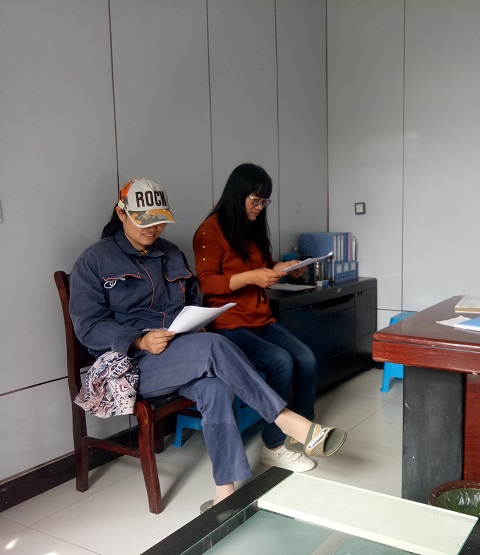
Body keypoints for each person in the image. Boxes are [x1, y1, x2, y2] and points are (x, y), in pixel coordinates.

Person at [68, 178, 346, 512]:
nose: (153, 228)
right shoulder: (95, 260)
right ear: (121, 214)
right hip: (132, 366)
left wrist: (196, 320)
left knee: (216, 387)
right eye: (144, 221)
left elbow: (192, 300)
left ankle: (224, 493)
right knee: (215, 345)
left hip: (179, 352)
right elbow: (89, 327)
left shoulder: (170, 253)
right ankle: (287, 420)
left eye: (159, 220)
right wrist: (139, 339)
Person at [194, 163, 320, 473]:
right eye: (256, 200)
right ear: (237, 194)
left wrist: (284, 269)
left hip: (260, 319)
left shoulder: (251, 227)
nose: (260, 207)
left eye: (265, 201)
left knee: (306, 358)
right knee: (281, 362)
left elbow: (263, 265)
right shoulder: (209, 231)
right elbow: (207, 283)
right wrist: (252, 277)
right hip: (228, 325)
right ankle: (273, 445)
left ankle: (302, 431)